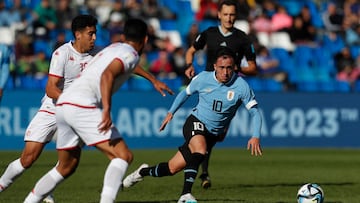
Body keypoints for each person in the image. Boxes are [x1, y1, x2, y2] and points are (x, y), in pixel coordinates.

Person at [23, 18, 173, 203]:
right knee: (123, 156)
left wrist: (153, 79)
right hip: (82, 105)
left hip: (63, 104)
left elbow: (126, 66)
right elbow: (108, 75)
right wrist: (107, 109)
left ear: (124, 36)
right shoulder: (130, 54)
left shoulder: (114, 48)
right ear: (146, 40)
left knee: (65, 167)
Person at [123, 46, 263, 203]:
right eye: (222, 67)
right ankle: (185, 195)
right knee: (200, 150)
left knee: (172, 168)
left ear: (234, 67)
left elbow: (255, 112)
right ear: (215, 66)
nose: (225, 72)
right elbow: (185, 93)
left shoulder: (241, 86)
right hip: (196, 122)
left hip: (212, 134)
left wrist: (255, 136)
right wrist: (171, 112)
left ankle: (142, 172)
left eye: (229, 68)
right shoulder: (203, 78)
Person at [0, 14, 98, 203]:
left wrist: (152, 79)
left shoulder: (97, 56)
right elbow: (51, 88)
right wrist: (70, 102)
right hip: (53, 108)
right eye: (91, 34)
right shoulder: (62, 54)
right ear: (78, 34)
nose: (94, 38)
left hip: (74, 114)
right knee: (28, 159)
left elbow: (127, 62)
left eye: (95, 34)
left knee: (67, 164)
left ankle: (44, 190)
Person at [184, 0, 257, 188]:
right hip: (209, 88)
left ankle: (200, 165)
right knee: (207, 131)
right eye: (226, 14)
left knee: (216, 135)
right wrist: (189, 65)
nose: (229, 18)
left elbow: (253, 67)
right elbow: (191, 51)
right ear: (219, 15)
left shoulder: (242, 38)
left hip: (231, 91)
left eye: (232, 15)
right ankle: (204, 173)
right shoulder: (209, 34)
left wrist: (235, 68)